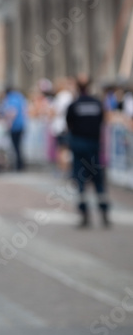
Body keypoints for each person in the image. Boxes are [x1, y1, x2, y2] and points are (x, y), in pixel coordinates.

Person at [66, 75, 109, 228]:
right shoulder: (97, 104)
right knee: (98, 181)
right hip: (93, 147)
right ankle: (104, 214)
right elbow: (102, 121)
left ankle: (85, 215)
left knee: (80, 181)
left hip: (79, 147)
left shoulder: (74, 105)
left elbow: (69, 124)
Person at [0, 86, 28, 171]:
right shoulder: (19, 97)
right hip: (21, 125)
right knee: (18, 146)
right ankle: (20, 164)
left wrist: (8, 121)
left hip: (15, 126)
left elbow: (12, 112)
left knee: (16, 147)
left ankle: (19, 165)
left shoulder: (12, 99)